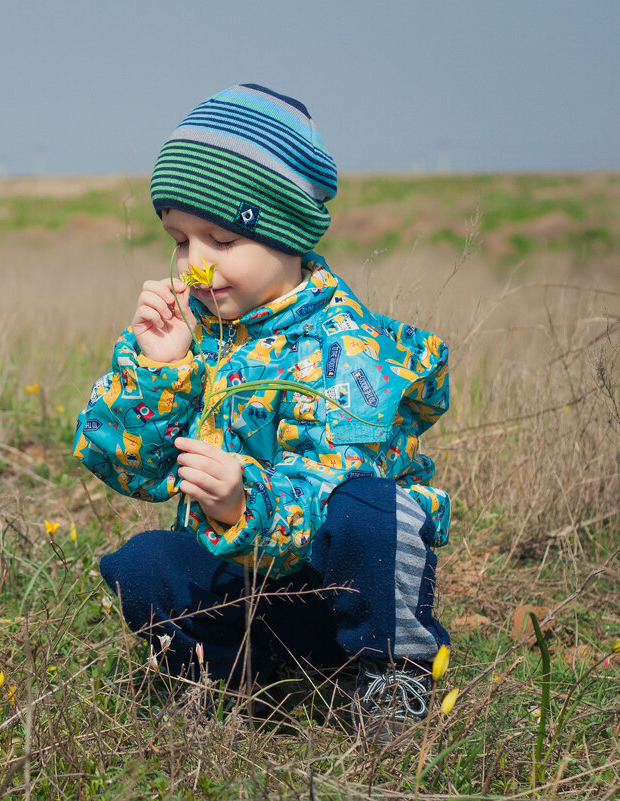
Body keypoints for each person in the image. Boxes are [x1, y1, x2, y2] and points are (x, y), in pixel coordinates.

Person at [73, 84, 451, 746]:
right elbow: (126, 465)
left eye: (220, 238)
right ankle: (214, 677)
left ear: (287, 234)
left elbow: (340, 474)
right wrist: (159, 370)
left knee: (375, 510)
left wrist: (247, 501)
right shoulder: (194, 331)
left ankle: (388, 675)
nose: (195, 266)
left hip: (331, 598)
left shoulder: (347, 347)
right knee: (146, 560)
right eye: (181, 240)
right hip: (241, 585)